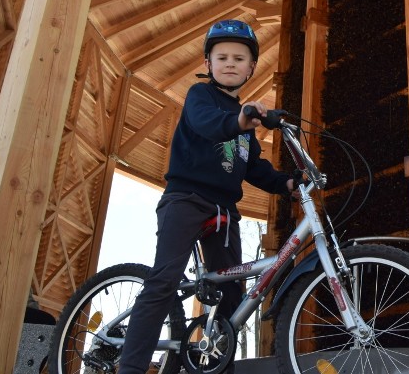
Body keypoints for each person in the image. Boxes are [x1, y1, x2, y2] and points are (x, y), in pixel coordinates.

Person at [117, 19, 297, 374]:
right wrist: (241, 121)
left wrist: (288, 183)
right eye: (222, 57)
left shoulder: (244, 122)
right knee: (164, 280)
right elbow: (208, 124)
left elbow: (255, 167)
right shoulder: (200, 97)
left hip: (225, 211)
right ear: (208, 65)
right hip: (186, 198)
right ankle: (131, 368)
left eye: (239, 58)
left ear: (251, 68)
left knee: (232, 295)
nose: (230, 63)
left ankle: (217, 367)